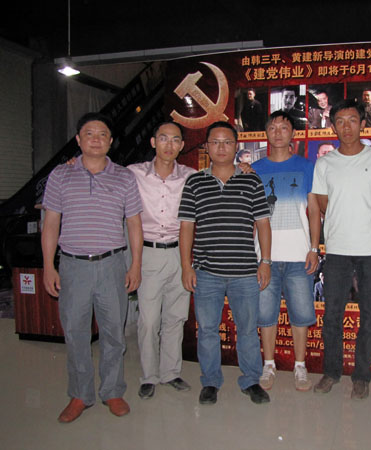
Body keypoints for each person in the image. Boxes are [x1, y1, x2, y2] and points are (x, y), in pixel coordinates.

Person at [41, 112, 143, 422]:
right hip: (73, 267)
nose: (96, 139)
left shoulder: (124, 177)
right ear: (78, 139)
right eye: (89, 133)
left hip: (112, 264)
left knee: (114, 334)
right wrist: (48, 266)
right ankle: (80, 395)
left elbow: (134, 225)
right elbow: (51, 223)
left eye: (102, 134)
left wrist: (135, 265)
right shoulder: (60, 175)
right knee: (75, 333)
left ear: (111, 141)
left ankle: (112, 391)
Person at [178, 121, 272, 405]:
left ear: (236, 146)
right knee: (207, 330)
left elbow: (263, 224)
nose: (221, 147)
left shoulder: (251, 181)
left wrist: (265, 261)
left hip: (245, 272)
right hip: (206, 272)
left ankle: (251, 380)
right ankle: (210, 381)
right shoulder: (195, 182)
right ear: (207, 146)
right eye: (215, 142)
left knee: (247, 329)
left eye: (227, 142)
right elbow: (187, 226)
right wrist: (186, 266)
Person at [311, 98, 371, 399]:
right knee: (332, 314)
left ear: (362, 124)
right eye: (340, 121)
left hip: (370, 250)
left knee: (369, 315)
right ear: (333, 127)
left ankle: (361, 376)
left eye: (352, 120)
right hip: (337, 250)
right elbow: (323, 204)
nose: (346, 126)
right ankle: (331, 372)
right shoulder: (325, 163)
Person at [251, 110, 321, 392]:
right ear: (266, 133)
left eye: (284, 127)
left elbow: (314, 210)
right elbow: (250, 217)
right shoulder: (255, 169)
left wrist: (314, 248)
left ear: (293, 133)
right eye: (273, 127)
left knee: (301, 314)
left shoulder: (306, 167)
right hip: (264, 258)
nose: (278, 132)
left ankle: (300, 366)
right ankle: (268, 365)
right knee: (265, 314)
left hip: (298, 256)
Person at [127, 122, 197, 400]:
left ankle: (170, 373)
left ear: (182, 145)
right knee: (148, 320)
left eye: (175, 140)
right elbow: (102, 170)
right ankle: (149, 376)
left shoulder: (191, 176)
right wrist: (74, 164)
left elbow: (222, 176)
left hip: (181, 253)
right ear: (153, 142)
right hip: (149, 253)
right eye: (163, 138)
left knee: (175, 317)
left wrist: (245, 169)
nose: (169, 144)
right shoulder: (133, 173)